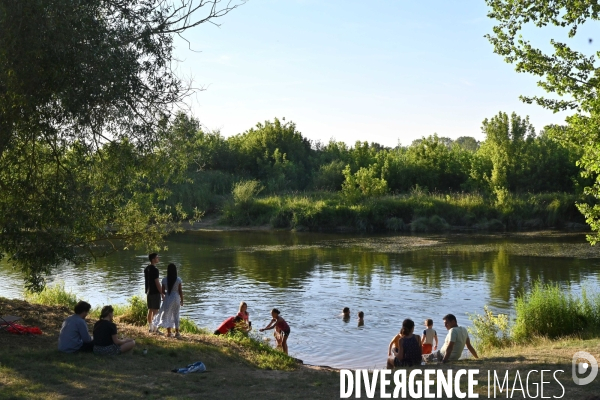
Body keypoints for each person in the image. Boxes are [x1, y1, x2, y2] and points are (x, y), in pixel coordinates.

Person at [152, 263, 184, 338]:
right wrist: (182, 300)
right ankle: (177, 333)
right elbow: (180, 291)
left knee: (167, 314)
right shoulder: (178, 280)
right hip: (176, 298)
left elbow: (162, 291)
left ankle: (169, 332)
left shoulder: (164, 280)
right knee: (176, 315)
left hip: (168, 298)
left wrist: (167, 293)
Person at [144, 253, 163, 333]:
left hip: (149, 291)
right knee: (156, 310)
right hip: (155, 292)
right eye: (157, 257)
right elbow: (157, 282)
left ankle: (150, 327)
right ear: (153, 259)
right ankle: (155, 329)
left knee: (150, 309)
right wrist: (162, 292)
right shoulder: (155, 270)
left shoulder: (146, 268)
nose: (158, 258)